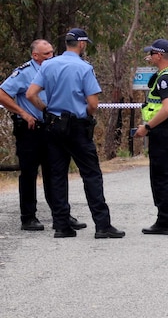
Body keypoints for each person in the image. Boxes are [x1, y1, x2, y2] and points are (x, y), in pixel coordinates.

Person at [25, 28, 125, 239]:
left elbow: (30, 94)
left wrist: (45, 109)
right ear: (81, 44)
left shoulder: (48, 65)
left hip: (53, 126)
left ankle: (62, 225)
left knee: (57, 175)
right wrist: (85, 115)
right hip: (77, 127)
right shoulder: (84, 68)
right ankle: (102, 225)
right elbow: (93, 104)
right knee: (91, 175)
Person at [0, 40, 85, 232]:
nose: (50, 56)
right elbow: (2, 94)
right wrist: (22, 112)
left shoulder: (55, 69)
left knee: (56, 173)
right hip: (30, 129)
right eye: (46, 54)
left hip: (52, 128)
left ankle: (62, 215)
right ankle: (28, 217)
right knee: (29, 173)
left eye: (52, 52)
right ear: (35, 56)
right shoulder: (24, 72)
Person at [135, 38, 168, 235]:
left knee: (160, 177)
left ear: (159, 55)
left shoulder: (166, 78)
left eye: (152, 54)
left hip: (163, 129)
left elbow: (166, 108)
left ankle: (165, 221)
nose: (149, 56)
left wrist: (146, 127)